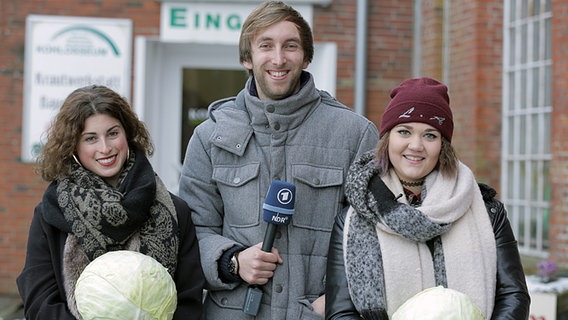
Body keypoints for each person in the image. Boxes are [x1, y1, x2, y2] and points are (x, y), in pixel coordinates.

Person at [177, 1, 379, 319]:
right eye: (266, 46)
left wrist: (340, 298)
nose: (279, 58)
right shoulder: (210, 136)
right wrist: (232, 260)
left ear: (306, 56)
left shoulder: (354, 134)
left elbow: (371, 234)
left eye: (291, 46)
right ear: (247, 57)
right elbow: (192, 232)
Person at [325, 77, 531, 319]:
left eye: (430, 135)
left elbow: (513, 295)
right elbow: (341, 312)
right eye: (404, 132)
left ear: (443, 145)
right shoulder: (353, 218)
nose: (416, 145)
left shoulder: (488, 212)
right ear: (387, 138)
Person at [16, 85, 205, 319]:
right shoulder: (51, 213)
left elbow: (189, 301)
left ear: (128, 134)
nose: (105, 148)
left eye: (113, 133)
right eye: (90, 138)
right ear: (72, 146)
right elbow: (39, 302)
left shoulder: (176, 211)